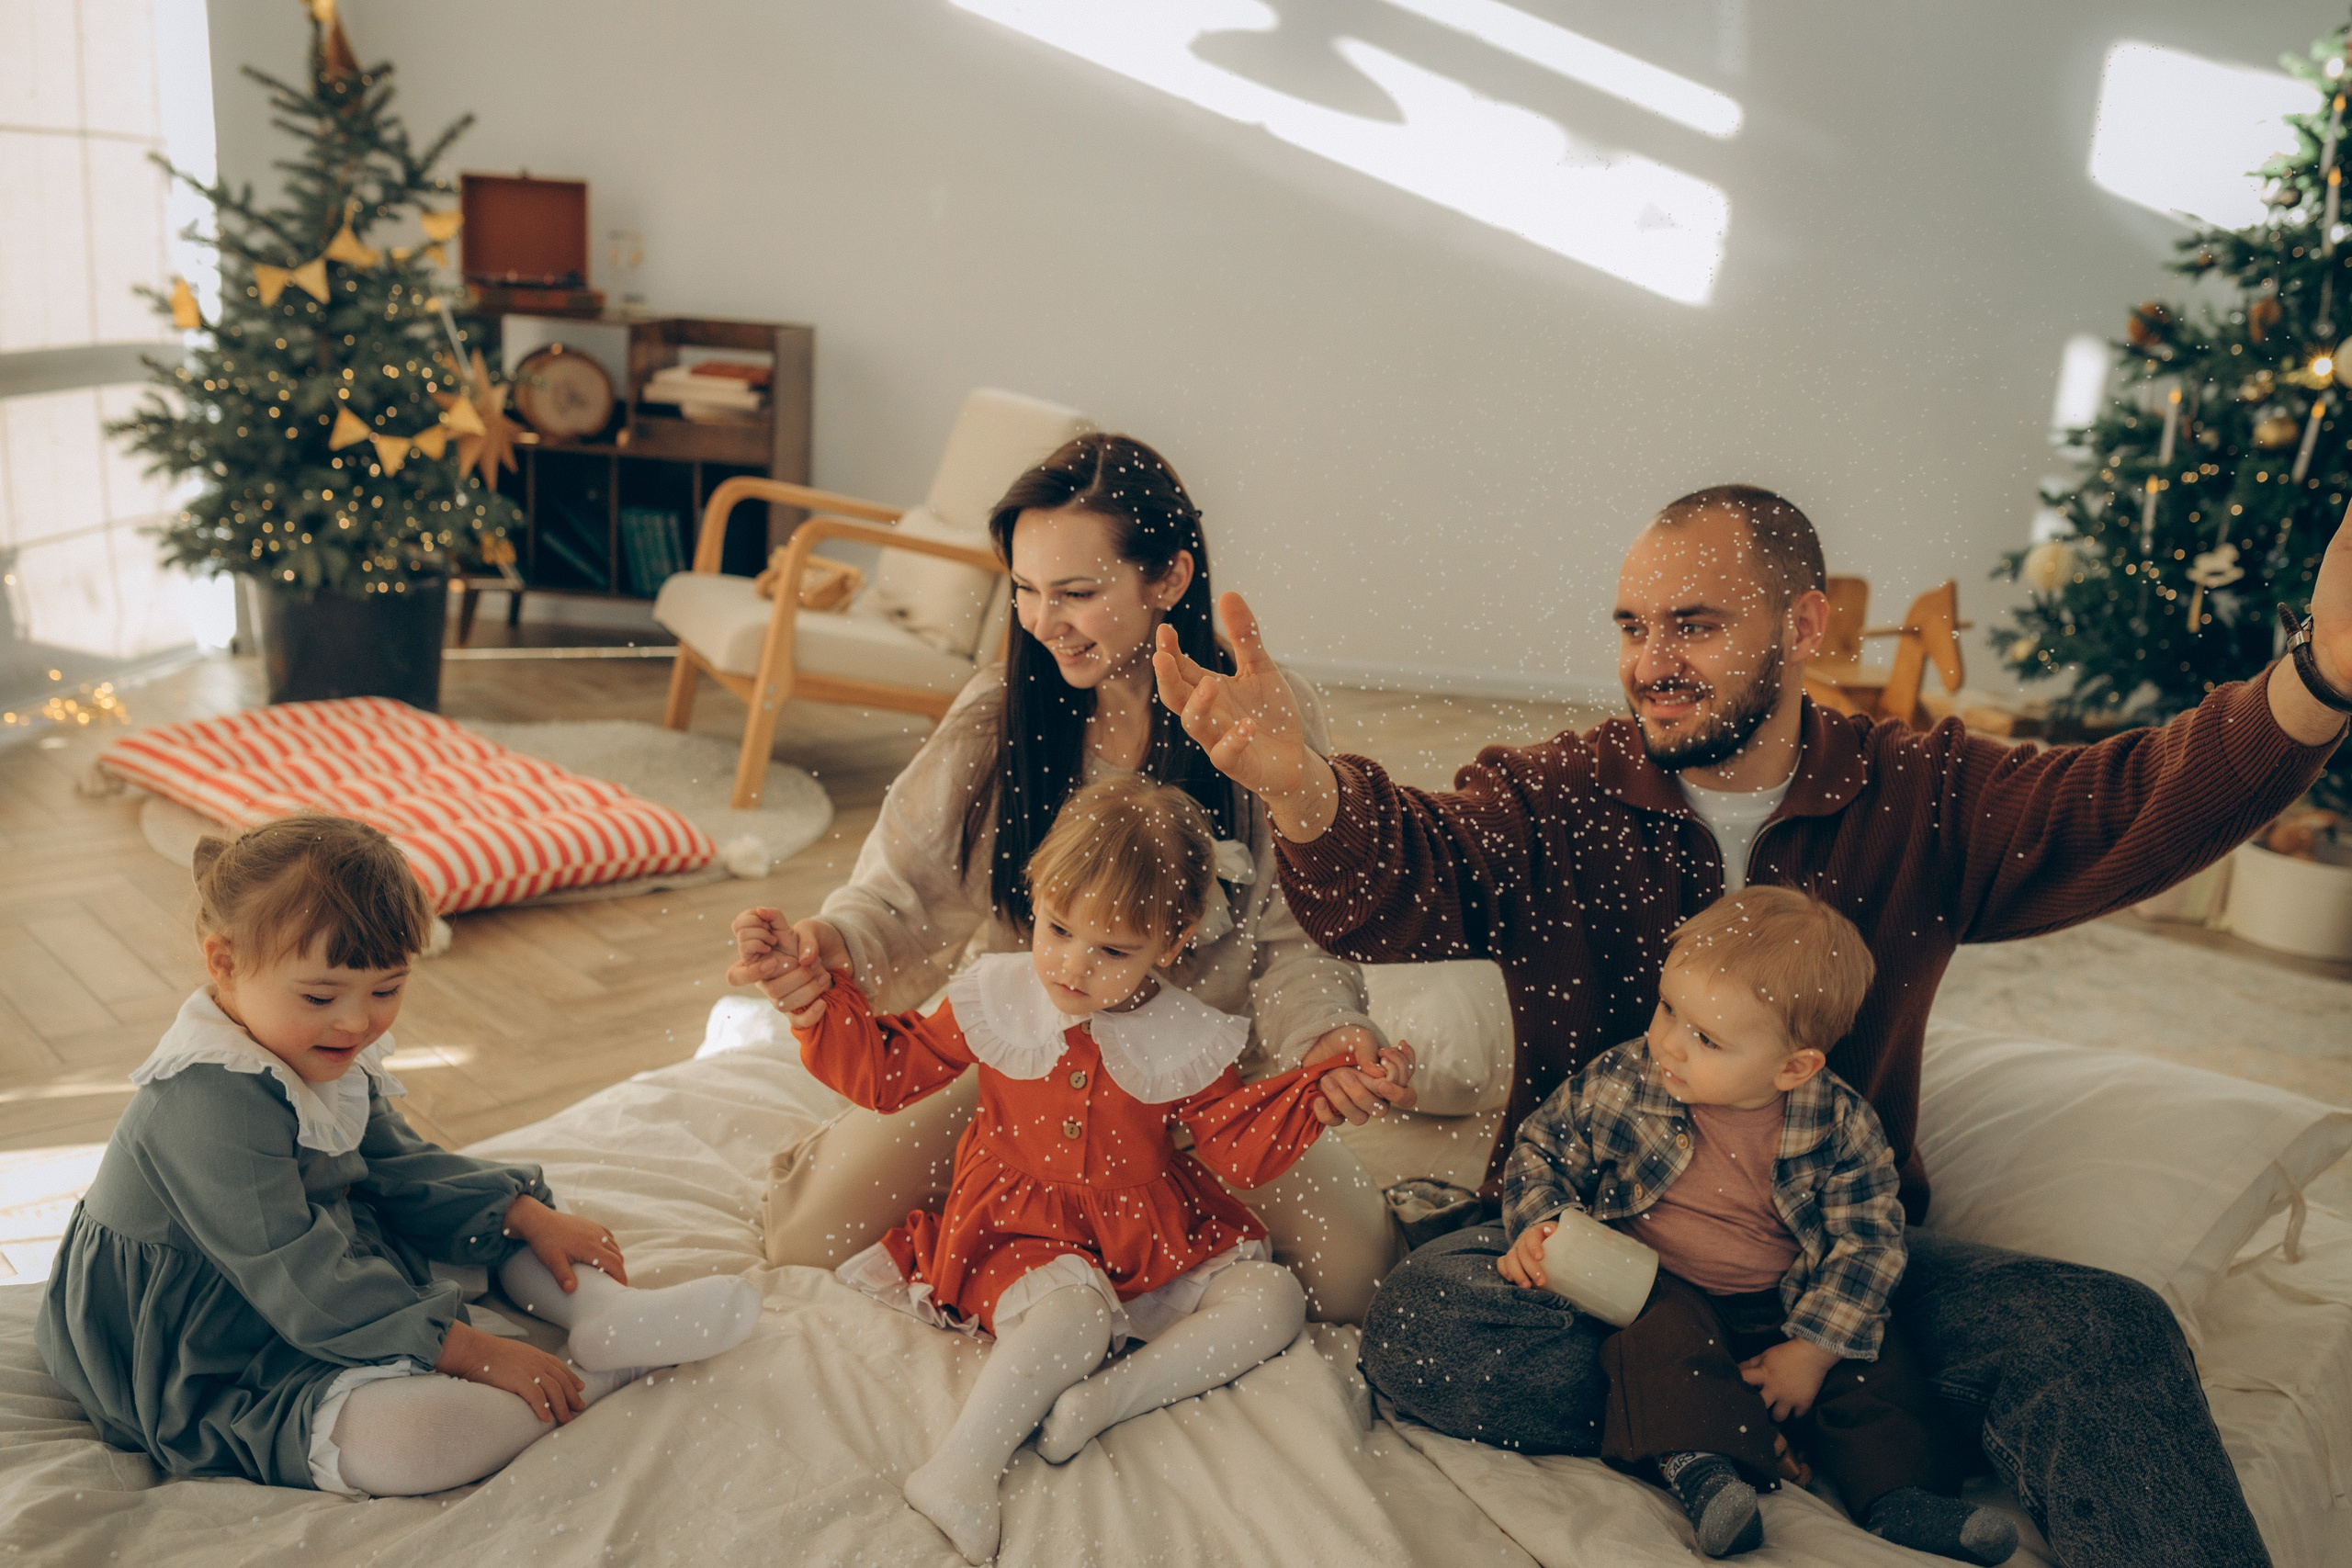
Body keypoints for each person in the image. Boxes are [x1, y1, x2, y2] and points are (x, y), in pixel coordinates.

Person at [1152, 483, 2351, 1568]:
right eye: (1632, 627)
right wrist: (1300, 785)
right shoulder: (1561, 794)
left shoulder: (1921, 792)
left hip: (1832, 1267)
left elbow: (2125, 805)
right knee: (1430, 1322)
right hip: (1602, 1260)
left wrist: (2324, 674)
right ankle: (1807, 1411)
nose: (1652, 662)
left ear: (1804, 625)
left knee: (2107, 1330)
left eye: (1694, 625)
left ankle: (1748, 1396)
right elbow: (1405, 876)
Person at [730, 432, 1412, 1319]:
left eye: (1077, 593)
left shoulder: (1260, 716)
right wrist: (832, 944)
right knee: (802, 1239)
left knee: (1360, 1282)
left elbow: (1294, 939)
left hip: (1198, 1088)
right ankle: (1019, 1208)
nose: (1042, 619)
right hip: (1027, 1066)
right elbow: (902, 895)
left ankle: (1133, 1225)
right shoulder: (999, 713)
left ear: (1168, 578)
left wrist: (1325, 1038)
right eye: (1025, 588)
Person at [751, 773, 1392, 1562]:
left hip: (1146, 1237)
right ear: (1038, 896)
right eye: (1058, 928)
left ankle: (1103, 1401)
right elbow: (890, 1071)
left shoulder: (1189, 1033)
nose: (1073, 966)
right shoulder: (997, 996)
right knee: (1073, 1316)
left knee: (1273, 1296)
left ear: (1173, 942)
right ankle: (961, 1467)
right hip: (1019, 1230)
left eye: (1112, 950)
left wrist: (1316, 1093)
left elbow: (1232, 1146)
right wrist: (815, 1002)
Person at [36, 816, 762, 1498]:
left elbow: (398, 1168)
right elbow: (300, 1276)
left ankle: (610, 1316)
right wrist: (474, 1351)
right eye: (321, 995)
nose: (357, 1021)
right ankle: (596, 1378)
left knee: (490, 1212)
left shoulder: (314, 1043)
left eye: (386, 988)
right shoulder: (208, 1103)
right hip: (211, 1333)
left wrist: (522, 1211)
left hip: (313, 1267)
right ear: (225, 963)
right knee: (411, 1437)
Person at [1503, 886, 2012, 1562]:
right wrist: (1541, 1221)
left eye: (1707, 1039)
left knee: (1876, 1366)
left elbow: (1868, 1243)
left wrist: (1814, 1348)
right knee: (1657, 1349)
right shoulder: (1626, 1079)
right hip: (1663, 1284)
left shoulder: (1840, 1126)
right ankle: (1707, 1474)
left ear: (1793, 1067)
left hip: (1788, 1297)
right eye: (1669, 1008)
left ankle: (1905, 1497)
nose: (1670, 1044)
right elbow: (1542, 1146)